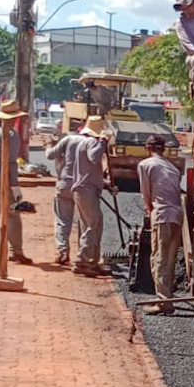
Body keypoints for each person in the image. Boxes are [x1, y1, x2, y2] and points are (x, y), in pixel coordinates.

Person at [0, 100, 32, 264]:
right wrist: (15, 187)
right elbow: (11, 163)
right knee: (13, 214)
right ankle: (16, 251)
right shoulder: (10, 134)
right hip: (0, 175)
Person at [137, 135, 183, 315]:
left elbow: (145, 193)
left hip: (162, 215)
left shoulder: (146, 165)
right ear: (163, 149)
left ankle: (163, 302)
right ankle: (167, 296)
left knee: (159, 258)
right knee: (170, 259)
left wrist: (150, 211)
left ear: (148, 148)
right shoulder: (172, 167)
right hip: (177, 215)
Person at [71, 116, 111, 276]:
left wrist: (104, 183)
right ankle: (82, 260)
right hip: (86, 190)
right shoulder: (92, 143)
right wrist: (102, 142)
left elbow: (90, 169)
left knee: (92, 224)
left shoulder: (82, 143)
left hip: (84, 189)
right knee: (92, 224)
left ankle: (92, 261)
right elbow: (94, 158)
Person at [45, 132, 85, 265]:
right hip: (83, 186)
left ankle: (62, 251)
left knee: (62, 220)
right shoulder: (89, 143)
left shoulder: (67, 141)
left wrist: (48, 144)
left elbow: (50, 155)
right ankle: (84, 255)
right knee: (85, 221)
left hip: (65, 185)